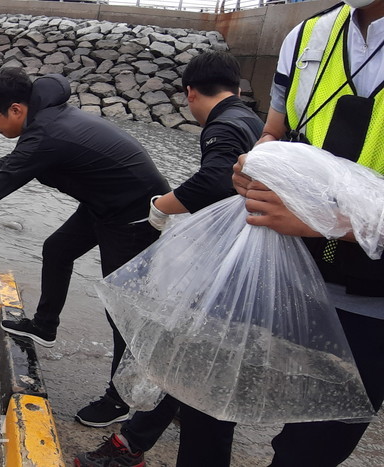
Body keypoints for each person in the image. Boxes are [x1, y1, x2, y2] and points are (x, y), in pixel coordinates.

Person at [0, 67, 170, 427]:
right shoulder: (45, 119)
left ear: (15, 110)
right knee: (57, 249)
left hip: (135, 214)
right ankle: (44, 326)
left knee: (121, 312)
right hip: (105, 203)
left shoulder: (47, 133)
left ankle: (121, 399)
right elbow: (17, 160)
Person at [74, 51, 264, 467]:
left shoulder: (223, 126)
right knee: (190, 362)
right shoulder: (253, 121)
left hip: (221, 269)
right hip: (244, 260)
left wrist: (162, 206)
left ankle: (129, 445)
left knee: (180, 356)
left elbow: (215, 180)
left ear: (190, 92)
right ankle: (132, 442)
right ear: (235, 86)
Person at [234, 0, 384, 464]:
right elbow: (275, 130)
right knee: (211, 388)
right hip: (287, 273)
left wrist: (335, 223)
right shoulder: (306, 36)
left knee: (312, 448)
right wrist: (258, 165)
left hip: (371, 304)